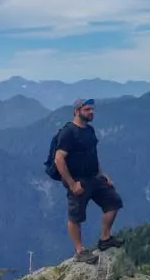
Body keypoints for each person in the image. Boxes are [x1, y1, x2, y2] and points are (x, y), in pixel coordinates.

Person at [53, 98, 125, 263]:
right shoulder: (68, 132)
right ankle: (80, 251)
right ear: (77, 111)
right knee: (76, 216)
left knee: (114, 202)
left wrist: (102, 173)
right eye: (87, 110)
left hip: (94, 177)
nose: (91, 112)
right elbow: (59, 160)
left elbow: (92, 155)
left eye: (92, 109)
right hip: (78, 180)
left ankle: (105, 239)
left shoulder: (89, 131)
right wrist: (72, 183)